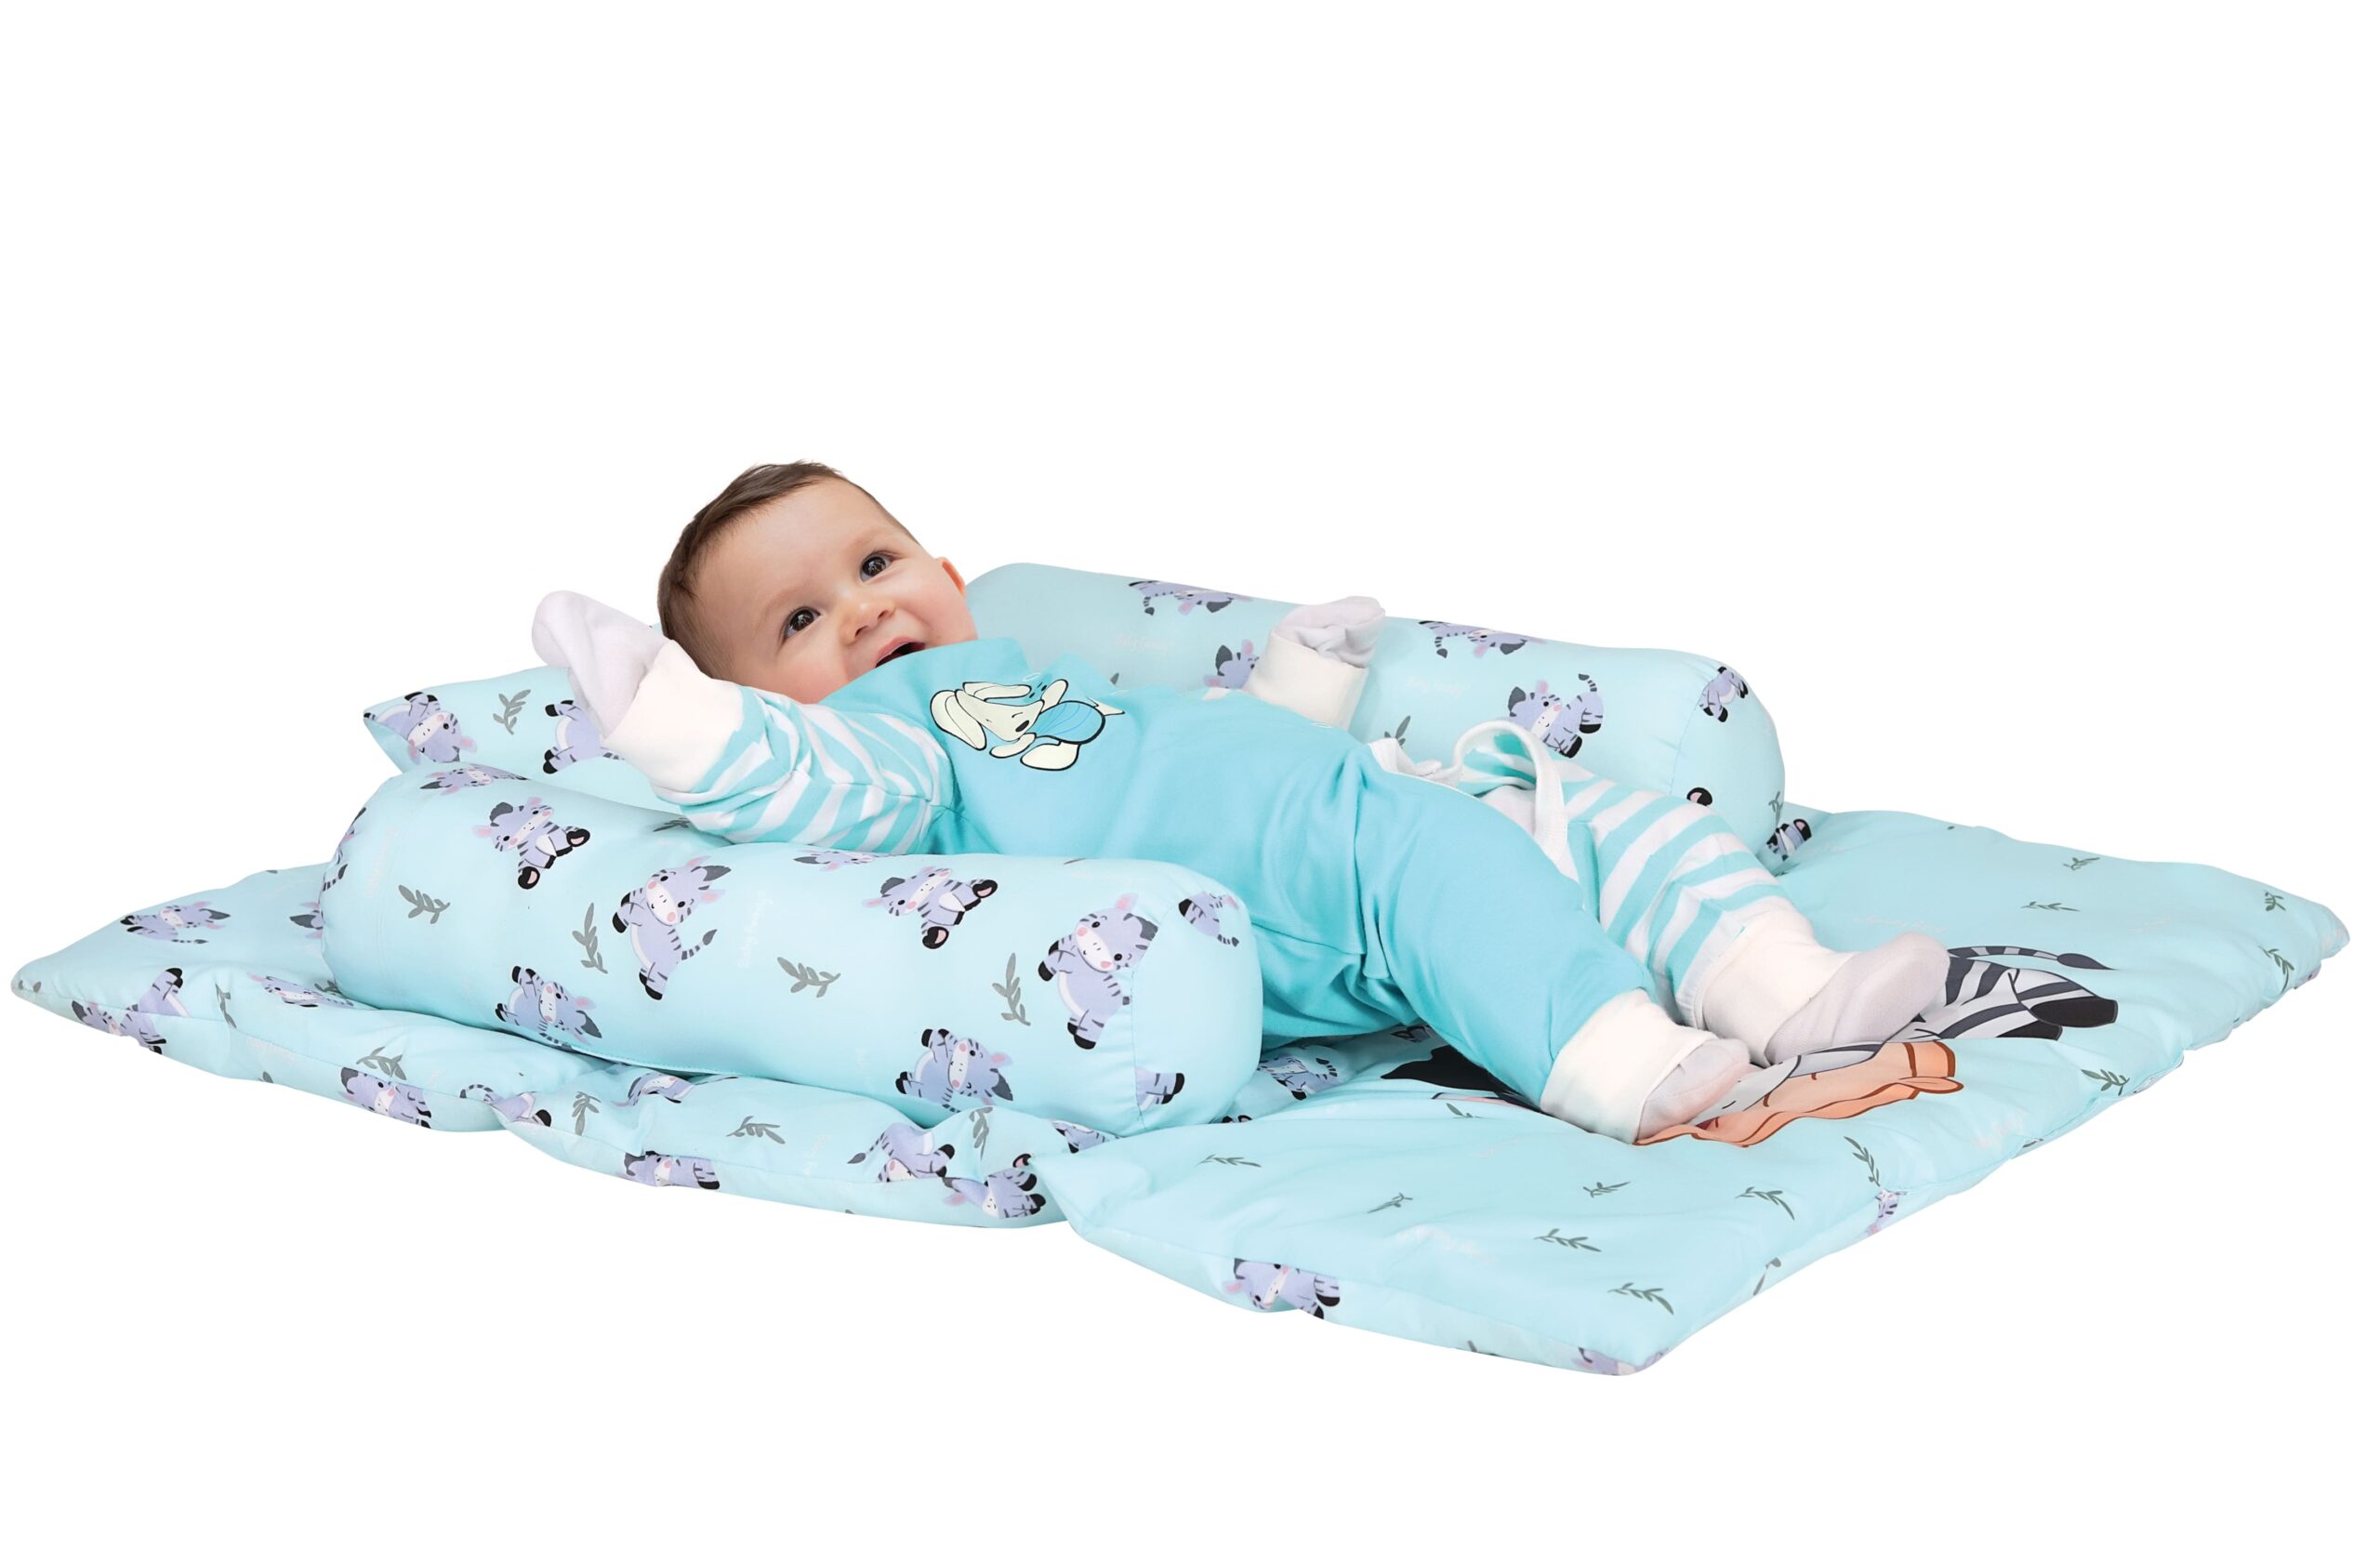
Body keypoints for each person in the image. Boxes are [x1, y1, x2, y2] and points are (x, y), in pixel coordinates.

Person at [532, 461, 1947, 1144]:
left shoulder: (1022, 667)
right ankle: (1631, 1071)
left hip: (1351, 801)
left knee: (1616, 824)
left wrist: (1295, 693)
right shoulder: (888, 742)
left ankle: (1784, 987)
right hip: (1293, 889)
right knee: (1449, 879)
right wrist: (676, 718)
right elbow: (804, 787)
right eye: (796, 621)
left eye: (874, 563)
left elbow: (1178, 752)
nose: (858, 611)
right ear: (768, 699)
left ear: (947, 576)